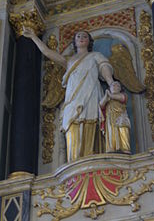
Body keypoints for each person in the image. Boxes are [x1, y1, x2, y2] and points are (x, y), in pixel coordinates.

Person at [22, 27, 115, 162]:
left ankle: (93, 158)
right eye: (78, 36)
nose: (81, 38)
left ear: (89, 41)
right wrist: (33, 37)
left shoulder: (96, 56)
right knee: (72, 124)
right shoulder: (69, 60)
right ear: (74, 42)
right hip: (73, 98)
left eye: (84, 36)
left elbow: (104, 68)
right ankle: (74, 161)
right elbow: (47, 52)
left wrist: (111, 83)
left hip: (91, 94)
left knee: (91, 122)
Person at [99, 81, 131, 154]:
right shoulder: (107, 98)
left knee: (123, 133)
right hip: (110, 119)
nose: (115, 86)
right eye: (113, 85)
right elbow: (101, 105)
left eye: (117, 85)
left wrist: (109, 94)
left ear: (120, 89)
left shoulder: (123, 95)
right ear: (109, 88)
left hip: (121, 118)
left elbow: (121, 98)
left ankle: (125, 149)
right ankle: (111, 149)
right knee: (110, 134)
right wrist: (106, 96)